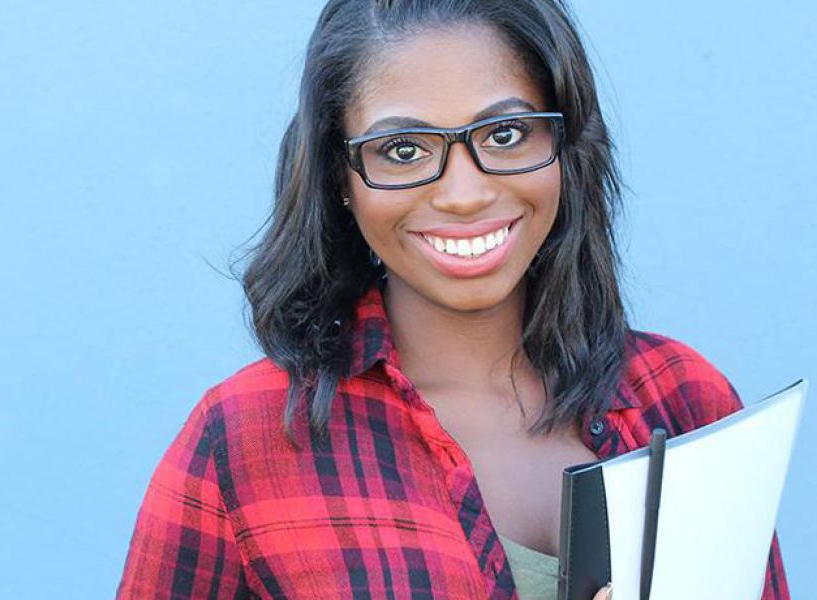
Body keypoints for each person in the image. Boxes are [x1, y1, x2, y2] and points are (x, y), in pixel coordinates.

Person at [116, 0, 791, 598]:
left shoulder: (686, 402)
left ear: (564, 147)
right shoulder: (247, 441)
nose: (464, 194)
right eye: (402, 149)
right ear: (340, 177)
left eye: (504, 135)